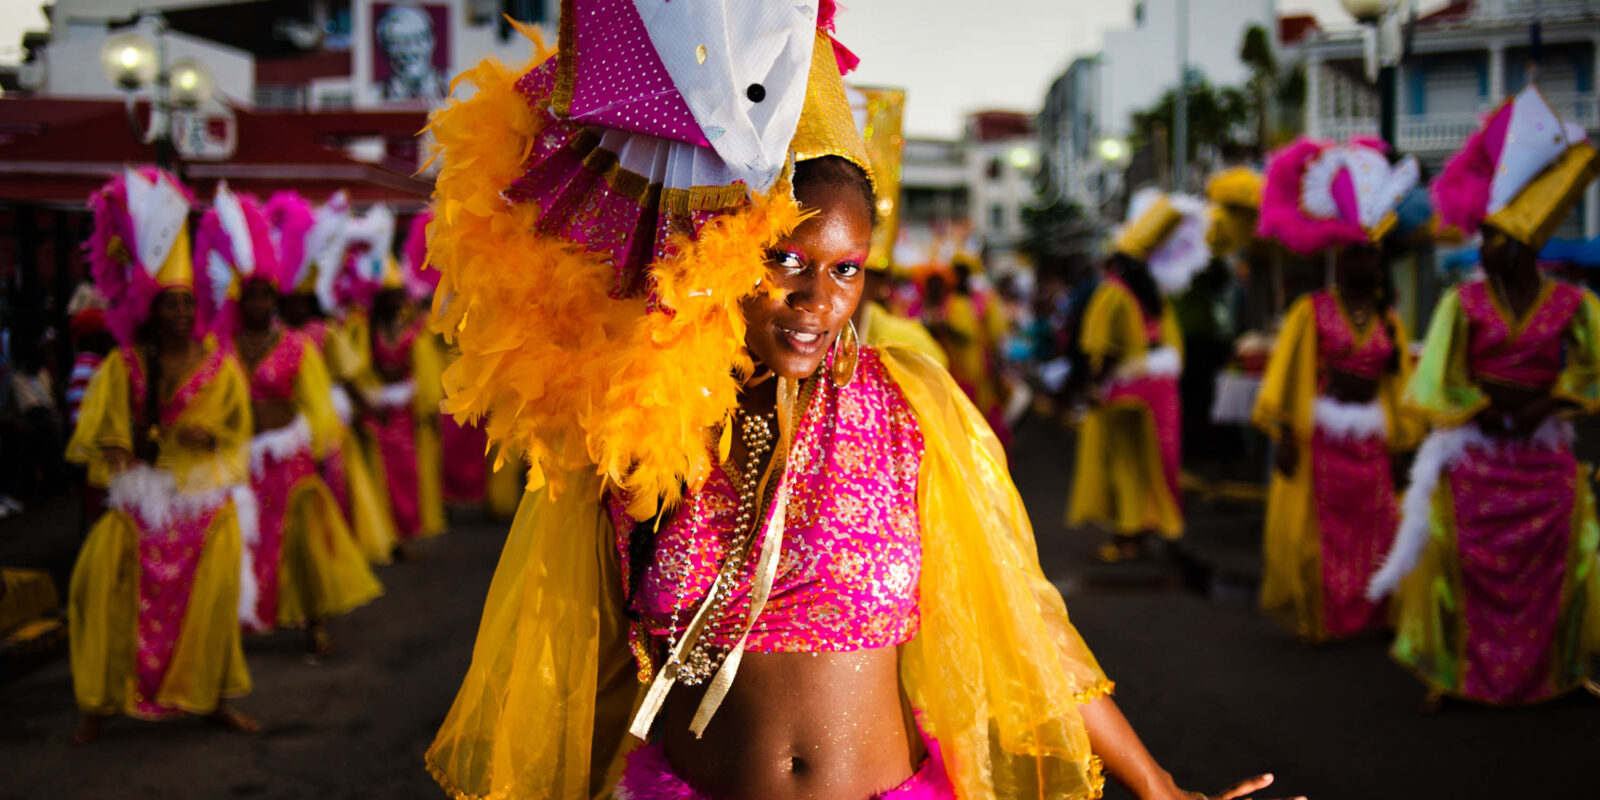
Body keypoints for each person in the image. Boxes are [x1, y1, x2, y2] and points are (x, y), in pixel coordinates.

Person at [424, 11, 1299, 800]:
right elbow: (569, 663)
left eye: (847, 269)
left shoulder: (910, 404)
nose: (817, 299)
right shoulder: (632, 421)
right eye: (788, 262)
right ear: (724, 254)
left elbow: (1021, 624)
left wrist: (1158, 787)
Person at [1368, 86, 1600, 709]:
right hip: (1478, 458)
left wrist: (1546, 404)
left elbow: (1593, 372)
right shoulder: (1461, 303)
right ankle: (1453, 671)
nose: (1485, 247)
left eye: (1495, 236)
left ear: (1523, 242)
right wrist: (1497, 404)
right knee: (1458, 565)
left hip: (1543, 459)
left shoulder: (1577, 305)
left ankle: (1559, 670)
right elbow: (1437, 380)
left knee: (1564, 560)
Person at [66, 168, 256, 742]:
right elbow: (100, 423)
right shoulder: (124, 366)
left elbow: (236, 424)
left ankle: (213, 697)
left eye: (185, 304)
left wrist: (214, 439)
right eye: (169, 304)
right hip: (142, 504)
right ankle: (99, 705)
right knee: (107, 594)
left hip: (201, 504)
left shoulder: (219, 365)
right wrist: (117, 443)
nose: (178, 314)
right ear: (151, 307)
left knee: (213, 603)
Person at [195, 183, 382, 655]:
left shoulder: (297, 346)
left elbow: (317, 405)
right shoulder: (221, 350)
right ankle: (245, 617)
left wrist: (321, 453)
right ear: (239, 298)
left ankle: (313, 621)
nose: (259, 303)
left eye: (265, 295)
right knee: (243, 540)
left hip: (288, 457)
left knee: (300, 542)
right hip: (239, 460)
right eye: (251, 295)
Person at [1252, 137, 1424, 642]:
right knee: (1323, 534)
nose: (1362, 264)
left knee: (1376, 529)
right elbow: (1288, 375)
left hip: (1370, 446)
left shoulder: (1390, 321)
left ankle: (1370, 613)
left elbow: (1399, 385)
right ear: (1339, 260)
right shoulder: (1312, 310)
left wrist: (1401, 445)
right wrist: (1285, 434)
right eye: (1354, 255)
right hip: (1322, 445)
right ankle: (1328, 614)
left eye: (1370, 256)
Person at [1067, 189, 1209, 563]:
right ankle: (1154, 530)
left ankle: (1129, 537)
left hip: (1126, 392)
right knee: (1159, 463)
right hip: (1161, 389)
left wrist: (1094, 383)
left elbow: (1100, 345)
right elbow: (1171, 344)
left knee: (1124, 468)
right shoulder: (1155, 297)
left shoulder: (1113, 293)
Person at [266, 190, 400, 564]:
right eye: (287, 299)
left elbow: (350, 375)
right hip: (287, 426)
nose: (292, 305)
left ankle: (337, 552)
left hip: (329, 419)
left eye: (298, 299)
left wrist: (367, 405)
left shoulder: (323, 332)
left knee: (338, 485)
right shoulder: (273, 333)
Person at [341, 205, 445, 556]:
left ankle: (405, 534)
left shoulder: (412, 329)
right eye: (389, 297)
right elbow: (353, 368)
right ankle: (384, 536)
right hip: (376, 411)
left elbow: (424, 371)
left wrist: (425, 408)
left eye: (398, 296)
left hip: (403, 412)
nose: (396, 302)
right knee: (375, 475)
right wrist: (365, 402)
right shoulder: (362, 327)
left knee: (405, 475)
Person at [376, 3, 449, 103]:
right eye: (396, 42)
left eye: (417, 40)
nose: (408, 51)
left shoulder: (455, 86)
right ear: (383, 47)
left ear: (432, 41)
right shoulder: (373, 95)